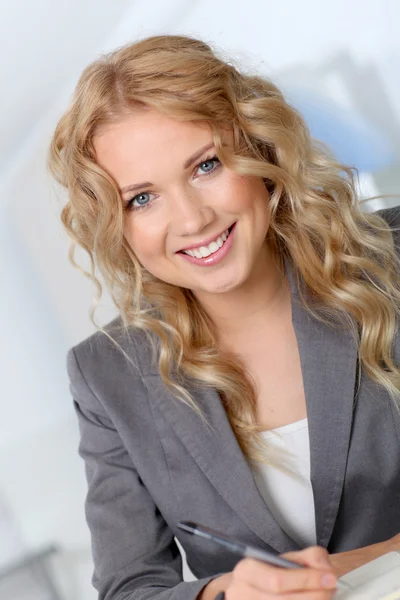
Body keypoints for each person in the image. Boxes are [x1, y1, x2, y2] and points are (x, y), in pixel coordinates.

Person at [48, 35, 400, 600]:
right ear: (116, 225)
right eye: (141, 198)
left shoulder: (388, 262)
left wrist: (353, 567)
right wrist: (226, 595)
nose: (191, 219)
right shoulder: (106, 374)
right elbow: (129, 588)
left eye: (206, 165)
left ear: (258, 147)